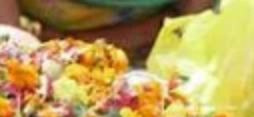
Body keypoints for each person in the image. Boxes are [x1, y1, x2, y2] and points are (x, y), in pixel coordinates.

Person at [0, 0, 211, 57]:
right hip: (40, 28)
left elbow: (187, 21)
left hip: (147, 35)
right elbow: (9, 38)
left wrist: (74, 41)